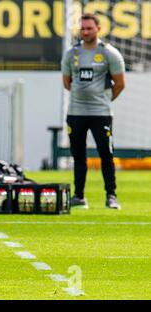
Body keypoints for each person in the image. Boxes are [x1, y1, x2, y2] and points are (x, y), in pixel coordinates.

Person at [61, 13, 125, 209]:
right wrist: (83, 98)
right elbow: (67, 82)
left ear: (98, 29)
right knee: (78, 156)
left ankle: (111, 196)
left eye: (89, 28)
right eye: (83, 28)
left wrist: (102, 101)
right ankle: (79, 196)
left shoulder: (109, 53)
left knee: (106, 154)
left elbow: (120, 84)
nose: (86, 31)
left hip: (101, 114)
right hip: (76, 113)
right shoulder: (72, 54)